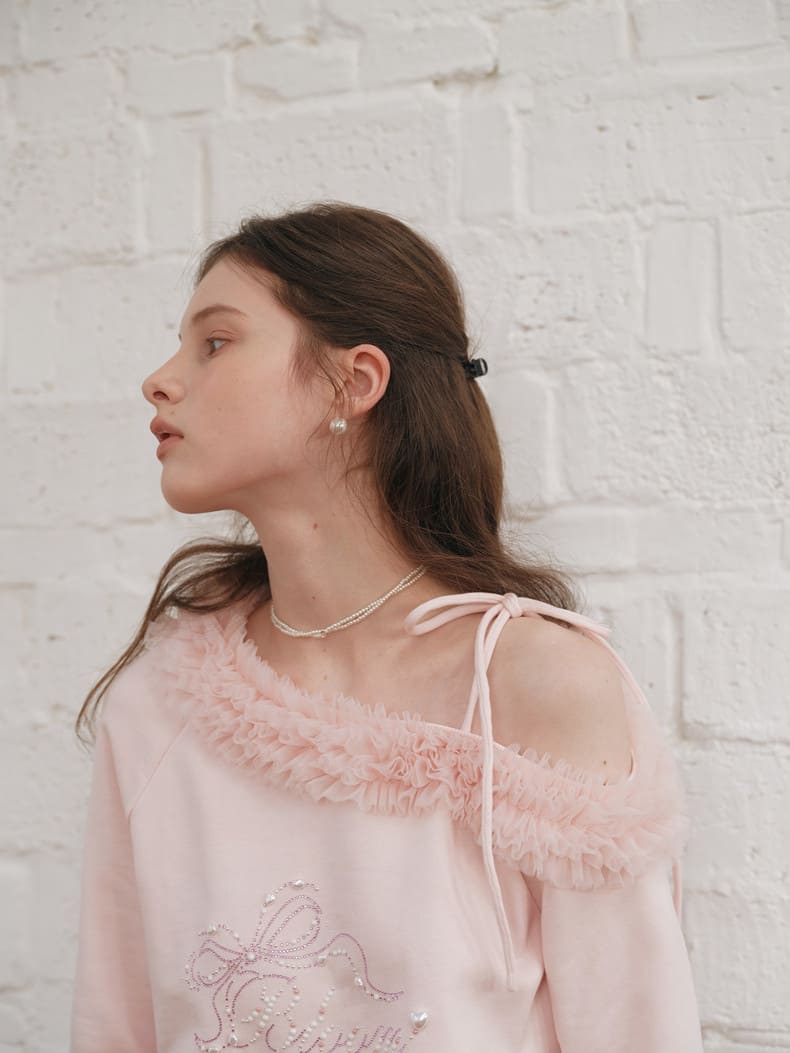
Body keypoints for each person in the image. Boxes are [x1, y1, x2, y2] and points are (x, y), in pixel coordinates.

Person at [70, 201, 704, 1052]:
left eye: (215, 342)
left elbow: (636, 1031)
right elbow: (115, 1028)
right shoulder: (157, 708)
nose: (159, 379)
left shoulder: (531, 686)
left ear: (355, 381)